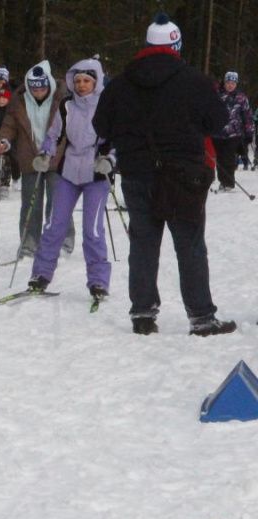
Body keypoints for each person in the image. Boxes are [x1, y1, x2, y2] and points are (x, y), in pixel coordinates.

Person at [94, 13, 235, 336]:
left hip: (137, 173)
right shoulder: (195, 81)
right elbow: (218, 122)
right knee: (190, 245)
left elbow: (101, 127)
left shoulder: (121, 84)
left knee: (143, 243)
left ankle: (142, 313)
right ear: (177, 45)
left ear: (146, 45)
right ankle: (201, 316)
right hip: (183, 175)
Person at [26, 58, 112, 299]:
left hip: (96, 173)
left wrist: (110, 160)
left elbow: (115, 139)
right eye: (78, 81)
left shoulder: (106, 105)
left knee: (92, 230)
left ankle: (98, 281)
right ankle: (41, 275)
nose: (82, 85)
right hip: (69, 171)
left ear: (96, 82)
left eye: (86, 81)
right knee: (55, 225)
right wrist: (45, 153)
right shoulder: (66, 106)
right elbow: (53, 135)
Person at [0, 61, 74, 257]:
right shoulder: (19, 100)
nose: (38, 92)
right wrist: (3, 140)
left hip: (57, 158)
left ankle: (62, 239)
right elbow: (9, 125)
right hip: (30, 157)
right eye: (34, 88)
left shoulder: (62, 99)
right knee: (31, 202)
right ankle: (29, 241)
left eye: (42, 87)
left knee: (58, 200)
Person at [212, 71, 254, 191]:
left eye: (233, 83)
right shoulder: (217, 94)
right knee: (220, 159)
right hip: (217, 133)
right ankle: (222, 181)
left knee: (229, 158)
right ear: (224, 83)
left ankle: (229, 183)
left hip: (233, 134)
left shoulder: (241, 97)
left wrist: (249, 133)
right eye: (228, 82)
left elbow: (247, 116)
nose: (230, 85)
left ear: (236, 84)